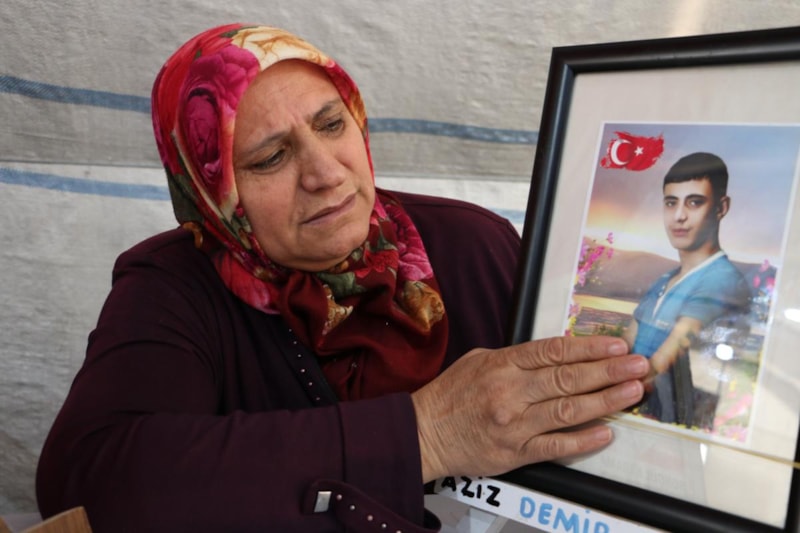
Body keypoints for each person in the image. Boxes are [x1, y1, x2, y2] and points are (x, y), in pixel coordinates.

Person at [36, 24, 648, 532]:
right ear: (209, 187)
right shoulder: (173, 287)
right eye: (271, 157)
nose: (325, 173)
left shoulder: (472, 244)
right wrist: (424, 434)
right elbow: (89, 483)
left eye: (331, 125)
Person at [623, 152, 751, 427]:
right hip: (635, 408)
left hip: (665, 420)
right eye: (671, 203)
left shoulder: (720, 279)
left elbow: (670, 353)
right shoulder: (666, 279)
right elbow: (627, 340)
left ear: (721, 208)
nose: (679, 216)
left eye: (694, 202)